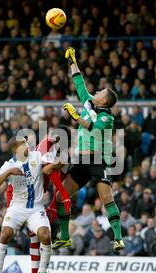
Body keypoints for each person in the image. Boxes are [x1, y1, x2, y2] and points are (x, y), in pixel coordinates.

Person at [54, 47, 125, 252]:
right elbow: (79, 82)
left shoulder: (107, 117)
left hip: (97, 162)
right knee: (61, 197)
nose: (96, 92)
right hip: (81, 162)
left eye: (100, 92)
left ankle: (118, 238)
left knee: (106, 198)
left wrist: (75, 116)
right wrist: (72, 61)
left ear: (104, 100)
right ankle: (65, 237)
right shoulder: (88, 104)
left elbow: (93, 128)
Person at [0, 137, 60, 273]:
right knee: (5, 234)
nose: (27, 145)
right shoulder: (9, 165)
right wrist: (7, 174)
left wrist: (57, 162)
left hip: (36, 208)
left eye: (26, 142)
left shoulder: (37, 156)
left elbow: (49, 167)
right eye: (23, 143)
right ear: (16, 149)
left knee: (45, 236)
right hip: (17, 208)